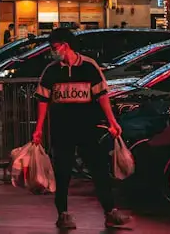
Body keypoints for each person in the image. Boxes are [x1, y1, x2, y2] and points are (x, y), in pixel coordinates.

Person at [33, 28, 130, 230]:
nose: (53, 52)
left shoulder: (89, 67)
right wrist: (39, 129)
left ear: (64, 45)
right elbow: (42, 100)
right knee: (63, 173)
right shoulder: (51, 71)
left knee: (99, 170)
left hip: (88, 128)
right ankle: (63, 213)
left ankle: (110, 211)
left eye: (54, 47)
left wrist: (112, 121)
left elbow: (102, 96)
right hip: (62, 130)